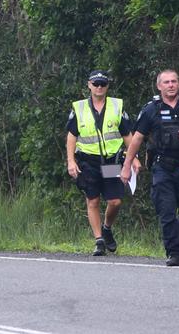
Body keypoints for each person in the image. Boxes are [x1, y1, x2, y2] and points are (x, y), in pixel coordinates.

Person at [121, 69, 179, 266]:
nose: (171, 85)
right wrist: (127, 165)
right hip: (162, 167)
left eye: (174, 81)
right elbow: (137, 138)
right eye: (166, 82)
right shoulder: (151, 109)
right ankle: (173, 252)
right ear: (159, 86)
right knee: (167, 210)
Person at [66, 70, 141, 256]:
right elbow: (71, 136)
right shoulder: (79, 107)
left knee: (115, 201)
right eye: (96, 83)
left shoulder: (117, 106)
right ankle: (99, 240)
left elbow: (127, 135)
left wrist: (134, 158)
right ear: (89, 85)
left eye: (103, 84)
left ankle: (107, 228)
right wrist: (71, 161)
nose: (99, 87)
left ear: (107, 86)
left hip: (110, 161)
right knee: (93, 200)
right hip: (88, 161)